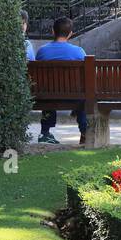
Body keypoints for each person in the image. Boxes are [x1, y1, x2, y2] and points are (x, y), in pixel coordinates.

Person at [34, 16, 87, 145]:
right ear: (70, 34)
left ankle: (45, 132)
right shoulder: (79, 52)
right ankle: (85, 132)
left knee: (49, 89)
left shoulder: (42, 51)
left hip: (47, 96)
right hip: (75, 96)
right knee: (85, 98)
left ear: (53, 31)